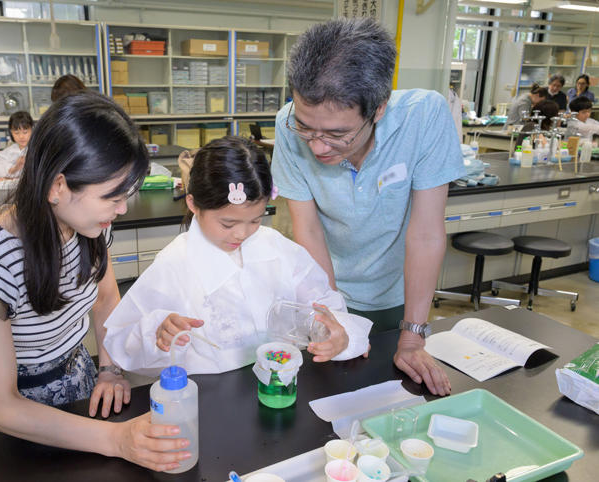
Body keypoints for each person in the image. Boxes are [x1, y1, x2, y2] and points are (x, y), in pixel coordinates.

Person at [0, 92, 191, 472]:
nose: (122, 209)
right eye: (112, 197)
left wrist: (110, 369)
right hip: (16, 422)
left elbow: (105, 300)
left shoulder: (88, 227)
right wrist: (116, 439)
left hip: (77, 384)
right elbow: (2, 406)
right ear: (57, 186)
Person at [271, 18, 466, 397]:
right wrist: (335, 318)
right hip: (324, 291)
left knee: (393, 399)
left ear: (378, 109)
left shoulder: (424, 116)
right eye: (306, 128)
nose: (318, 146)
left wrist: (413, 337)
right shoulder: (286, 124)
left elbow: (426, 234)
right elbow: (308, 231)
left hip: (399, 295)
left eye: (337, 134)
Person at [102, 136, 372, 376]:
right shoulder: (174, 264)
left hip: (280, 382)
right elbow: (122, 339)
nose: (242, 234)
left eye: (255, 220)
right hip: (211, 394)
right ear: (193, 203)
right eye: (227, 224)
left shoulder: (276, 248)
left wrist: (335, 334)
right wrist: (157, 331)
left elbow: (324, 306)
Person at [0, 111, 33, 182]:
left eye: (25, 132)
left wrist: (10, 179)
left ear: (32, 130)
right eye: (16, 133)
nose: (21, 136)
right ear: (11, 132)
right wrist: (16, 168)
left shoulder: (39, 151)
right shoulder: (4, 155)